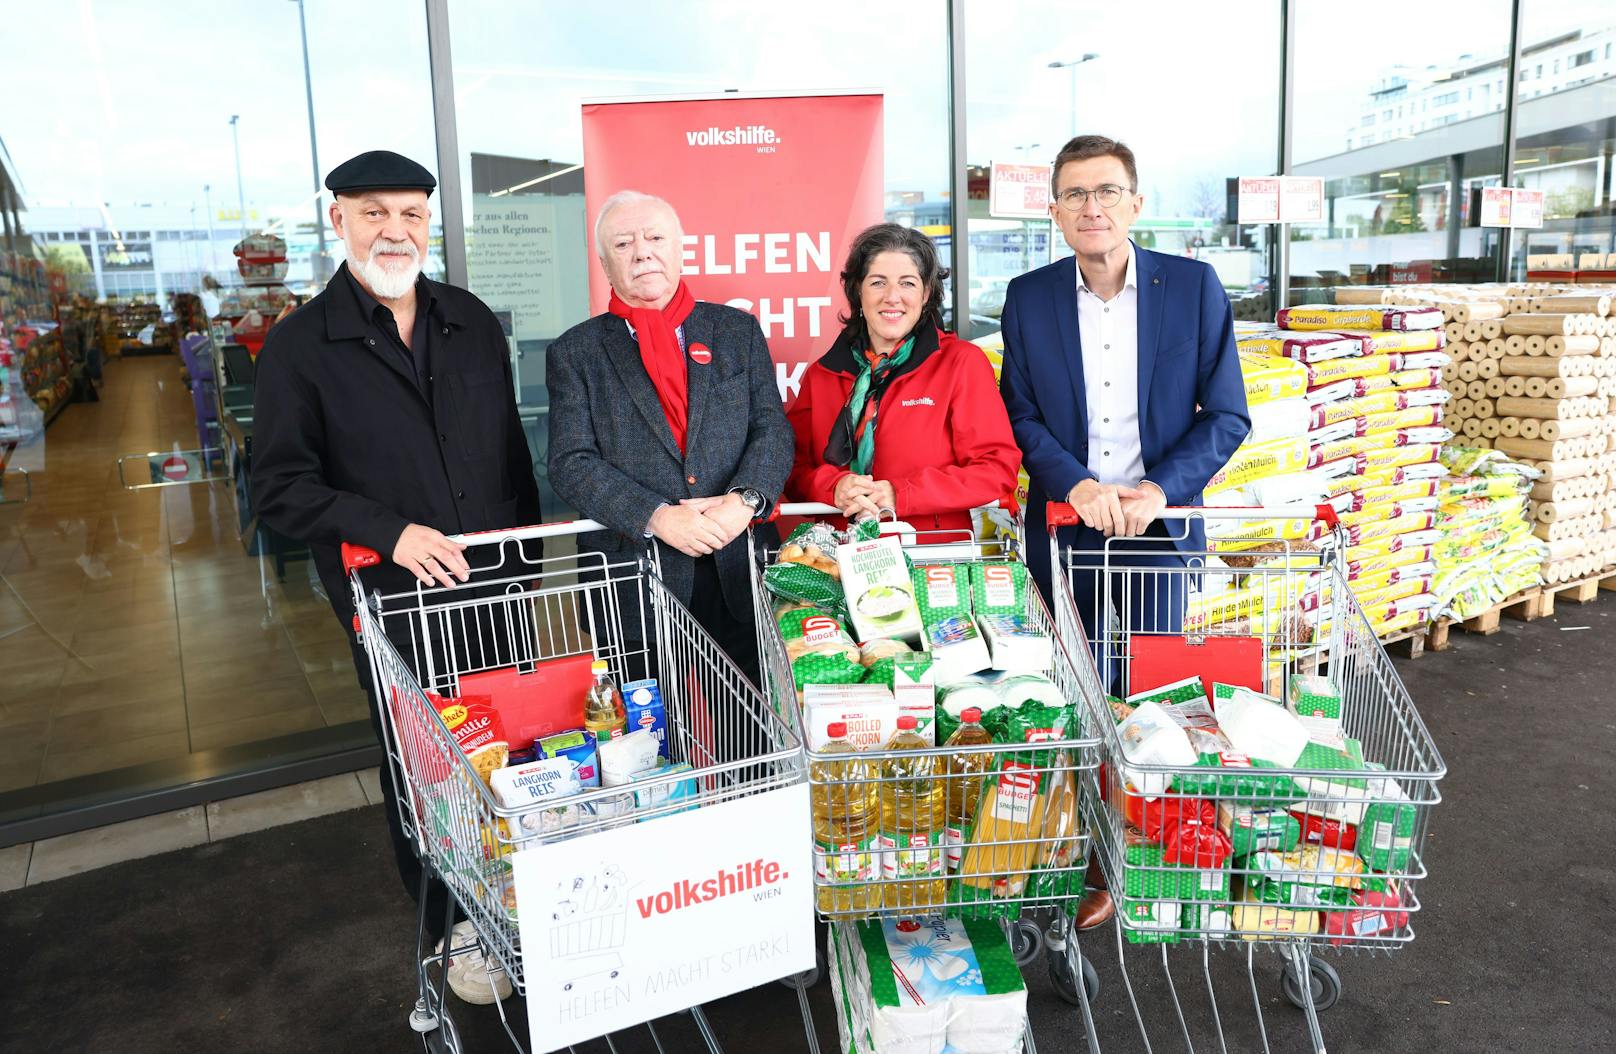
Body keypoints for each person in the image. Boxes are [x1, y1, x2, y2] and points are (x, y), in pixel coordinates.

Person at [251, 149, 540, 1005]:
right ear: (337, 220)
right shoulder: (302, 347)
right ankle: (452, 923)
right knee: (428, 772)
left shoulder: (470, 319)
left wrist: (524, 567)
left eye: (412, 214)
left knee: (516, 750)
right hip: (396, 606)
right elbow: (279, 489)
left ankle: (522, 900)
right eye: (374, 212)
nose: (395, 230)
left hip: (496, 590)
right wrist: (392, 531)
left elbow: (510, 456)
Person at [998, 135, 1250, 929]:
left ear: (1136, 204)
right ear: (1055, 211)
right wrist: (1071, 482)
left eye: (1106, 191)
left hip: (1154, 532)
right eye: (1074, 194)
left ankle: (1137, 852)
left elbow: (1229, 416)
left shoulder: (1194, 288)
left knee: (1149, 702)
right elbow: (1021, 415)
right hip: (1066, 531)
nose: (1091, 207)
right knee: (1069, 700)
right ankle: (1072, 856)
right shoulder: (1028, 296)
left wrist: (1157, 489)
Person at [547, 191, 794, 686]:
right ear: (604, 262)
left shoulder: (736, 331)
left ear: (680, 248)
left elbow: (772, 428)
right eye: (624, 243)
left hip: (739, 561)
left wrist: (743, 502)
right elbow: (571, 462)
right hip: (636, 577)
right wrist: (657, 516)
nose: (642, 252)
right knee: (655, 739)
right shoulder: (575, 351)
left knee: (754, 723)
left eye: (655, 237)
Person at [786, 222, 1018, 538]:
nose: (892, 297)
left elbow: (995, 470)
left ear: (926, 293)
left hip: (933, 559)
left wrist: (901, 493)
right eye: (878, 282)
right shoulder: (823, 374)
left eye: (907, 283)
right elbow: (791, 470)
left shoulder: (960, 363)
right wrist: (832, 486)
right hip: (838, 562)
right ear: (857, 290)